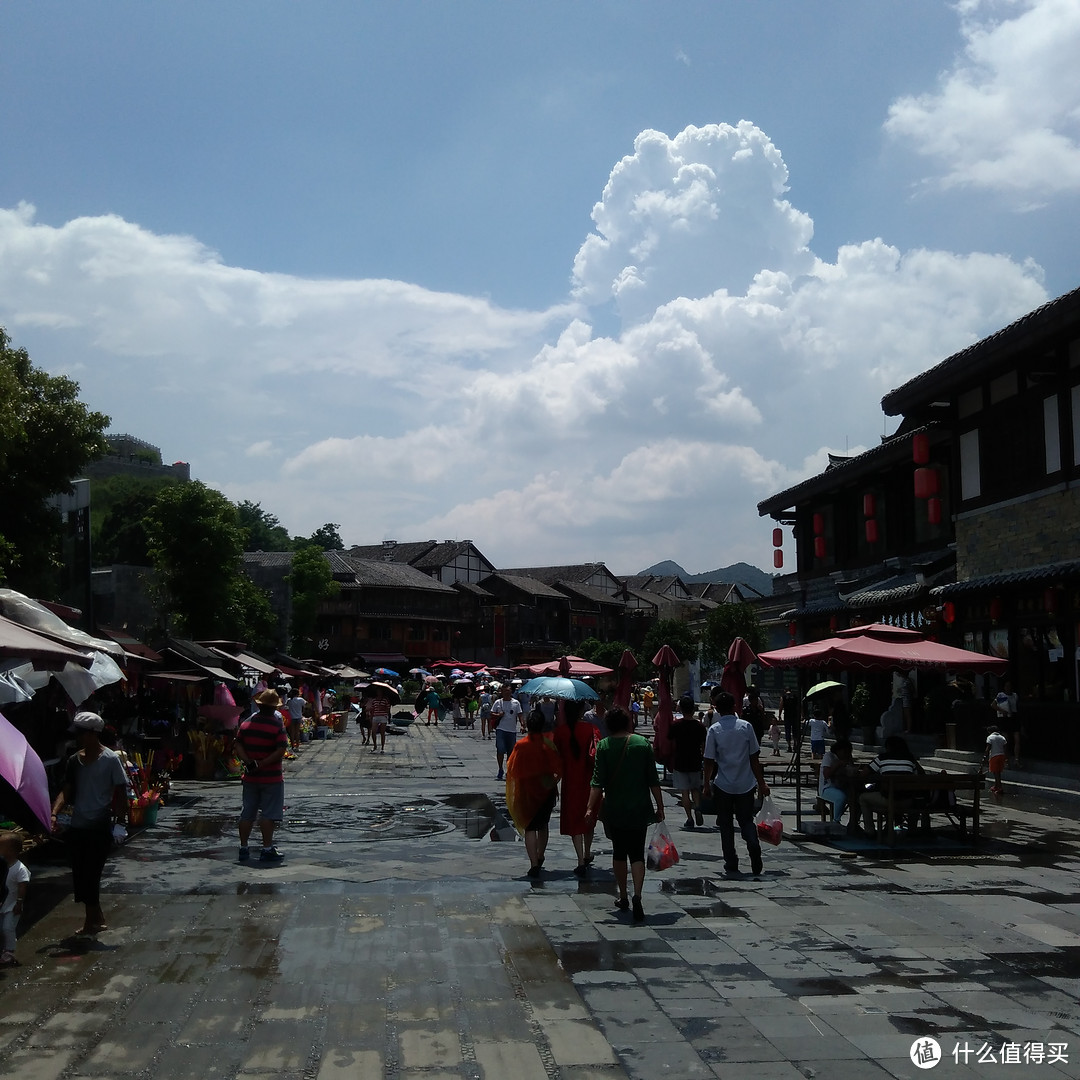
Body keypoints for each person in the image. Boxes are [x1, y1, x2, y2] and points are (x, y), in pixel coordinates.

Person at [50, 711, 130, 935]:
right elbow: (67, 789)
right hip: (78, 825)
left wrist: (121, 823)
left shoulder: (111, 760)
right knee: (80, 874)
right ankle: (96, 916)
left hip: (100, 825)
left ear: (94, 734)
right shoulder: (74, 761)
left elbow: (121, 793)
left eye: (81, 734)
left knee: (91, 875)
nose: (78, 738)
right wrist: (54, 813)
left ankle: (90, 922)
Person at [584, 706, 665, 923]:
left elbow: (597, 782)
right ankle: (637, 895)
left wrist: (591, 808)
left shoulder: (604, 746)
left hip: (615, 808)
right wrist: (660, 806)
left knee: (619, 853)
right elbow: (653, 780)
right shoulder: (642, 743)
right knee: (637, 853)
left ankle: (622, 895)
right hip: (640, 807)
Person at [702, 690, 770, 877]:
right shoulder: (746, 727)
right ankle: (753, 845)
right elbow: (754, 758)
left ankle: (731, 861)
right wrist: (761, 783)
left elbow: (709, 760)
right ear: (734, 707)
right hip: (745, 784)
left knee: (725, 825)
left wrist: (706, 784)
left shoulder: (714, 730)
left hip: (723, 784)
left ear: (716, 708)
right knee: (746, 820)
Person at [505, 709, 563, 878]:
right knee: (543, 825)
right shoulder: (548, 744)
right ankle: (540, 855)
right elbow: (558, 768)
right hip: (546, 791)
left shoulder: (520, 746)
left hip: (527, 792)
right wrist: (552, 782)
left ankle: (533, 863)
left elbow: (512, 769)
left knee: (530, 827)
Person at [235, 689, 289, 863]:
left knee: (247, 812)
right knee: (268, 814)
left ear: (258, 705)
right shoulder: (276, 725)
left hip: (250, 777)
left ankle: (243, 847)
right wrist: (263, 763)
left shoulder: (246, 724)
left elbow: (238, 745)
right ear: (274, 708)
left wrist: (249, 762)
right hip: (271, 777)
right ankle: (267, 848)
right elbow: (281, 749)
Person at [552, 700, 598, 875]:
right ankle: (587, 852)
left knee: (574, 819)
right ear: (581, 711)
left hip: (570, 782)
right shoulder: (591, 730)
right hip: (588, 781)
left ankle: (580, 858)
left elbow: (556, 756)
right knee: (589, 817)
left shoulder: (561, 732)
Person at [857, 735, 924, 840]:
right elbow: (919, 774)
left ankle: (869, 831)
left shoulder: (882, 758)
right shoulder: (910, 759)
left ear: (888, 747)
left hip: (888, 800)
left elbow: (863, 775)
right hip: (907, 801)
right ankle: (910, 830)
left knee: (863, 798)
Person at [668, 695, 706, 830]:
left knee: (684, 792)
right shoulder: (700, 726)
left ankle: (689, 818)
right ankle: (697, 806)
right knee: (695, 788)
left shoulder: (676, 725)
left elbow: (669, 739)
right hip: (695, 760)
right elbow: (703, 745)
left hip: (680, 760)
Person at [0, 833, 30, 966]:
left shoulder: (20, 868)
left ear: (11, 850)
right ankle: (4, 948)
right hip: (2, 902)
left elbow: (22, 886)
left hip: (12, 904)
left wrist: (19, 902)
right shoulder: (2, 865)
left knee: (8, 928)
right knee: (2, 928)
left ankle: (10, 951)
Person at [491, 683, 524, 781]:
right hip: (501, 729)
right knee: (500, 749)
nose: (507, 693)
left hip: (512, 730)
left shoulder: (516, 703)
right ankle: (500, 768)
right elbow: (491, 713)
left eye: (508, 691)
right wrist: (498, 715)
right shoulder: (498, 702)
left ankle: (509, 770)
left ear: (511, 692)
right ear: (501, 692)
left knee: (511, 752)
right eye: (505, 691)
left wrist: (522, 725)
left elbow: (520, 715)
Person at [818, 738, 856, 823]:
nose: (847, 754)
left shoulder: (848, 759)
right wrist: (838, 764)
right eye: (845, 752)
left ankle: (853, 822)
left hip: (842, 785)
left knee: (856, 797)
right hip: (827, 787)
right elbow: (826, 774)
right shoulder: (829, 756)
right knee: (841, 797)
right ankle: (836, 820)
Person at [992, 682, 1021, 768]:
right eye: (1007, 686)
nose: (1008, 688)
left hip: (1014, 717)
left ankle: (1016, 760)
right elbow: (993, 705)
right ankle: (1006, 760)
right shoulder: (1001, 695)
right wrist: (1002, 711)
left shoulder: (1015, 695)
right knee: (1006, 740)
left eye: (1010, 686)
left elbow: (1017, 708)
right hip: (1004, 718)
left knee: (1017, 739)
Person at [985, 724, 1008, 798]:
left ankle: (1000, 788)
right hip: (1001, 756)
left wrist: (985, 756)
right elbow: (1005, 748)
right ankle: (996, 786)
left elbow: (988, 747)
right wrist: (1006, 757)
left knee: (996, 773)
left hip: (994, 756)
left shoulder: (990, 737)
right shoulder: (1002, 737)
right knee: (998, 772)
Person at [366, 686, 392, 752]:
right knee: (373, 732)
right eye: (378, 691)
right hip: (375, 716)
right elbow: (372, 708)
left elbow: (388, 709)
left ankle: (382, 747)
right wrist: (370, 716)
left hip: (383, 716)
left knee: (382, 732)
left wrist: (383, 709)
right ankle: (375, 745)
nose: (379, 693)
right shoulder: (374, 700)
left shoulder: (385, 700)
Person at [778, 687, 799, 753]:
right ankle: (795, 744)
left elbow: (781, 706)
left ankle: (789, 746)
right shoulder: (795, 696)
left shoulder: (783, 697)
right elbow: (799, 706)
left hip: (787, 716)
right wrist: (802, 715)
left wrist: (779, 715)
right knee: (795, 731)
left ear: (785, 690)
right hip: (795, 716)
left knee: (788, 731)